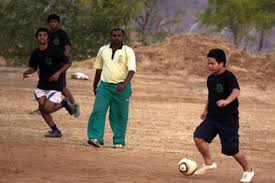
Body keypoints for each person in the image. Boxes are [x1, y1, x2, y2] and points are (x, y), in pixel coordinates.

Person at [193, 49, 254, 182]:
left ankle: (248, 170)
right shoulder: (210, 78)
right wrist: (206, 110)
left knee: (232, 149)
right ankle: (209, 163)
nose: (210, 66)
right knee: (198, 137)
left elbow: (236, 91)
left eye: (212, 63)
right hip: (212, 118)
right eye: (208, 63)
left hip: (228, 120)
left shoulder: (229, 76)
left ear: (221, 63)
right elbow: (211, 96)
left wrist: (227, 101)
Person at [87, 28, 136, 148]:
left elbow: (131, 70)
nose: (116, 37)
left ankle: (119, 140)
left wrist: (124, 84)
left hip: (121, 88)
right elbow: (98, 69)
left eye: (119, 35)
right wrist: (95, 86)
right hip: (104, 87)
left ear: (123, 37)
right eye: (114, 35)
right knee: (98, 111)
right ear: (111, 36)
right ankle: (95, 138)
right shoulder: (103, 50)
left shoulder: (128, 51)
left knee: (119, 115)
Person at [23, 27, 75, 138]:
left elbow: (68, 63)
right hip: (42, 85)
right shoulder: (35, 53)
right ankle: (56, 131)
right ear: (37, 37)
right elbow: (33, 67)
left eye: (44, 35)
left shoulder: (55, 51)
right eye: (40, 35)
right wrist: (27, 72)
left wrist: (58, 73)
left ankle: (64, 103)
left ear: (48, 38)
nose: (42, 37)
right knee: (42, 109)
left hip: (55, 84)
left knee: (47, 109)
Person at [31, 14, 80, 117]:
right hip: (47, 65)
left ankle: (74, 106)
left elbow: (67, 47)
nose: (53, 23)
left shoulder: (61, 33)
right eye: (51, 22)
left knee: (61, 87)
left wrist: (62, 61)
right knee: (45, 85)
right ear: (48, 23)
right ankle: (43, 107)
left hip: (59, 65)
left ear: (58, 23)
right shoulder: (47, 34)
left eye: (55, 21)